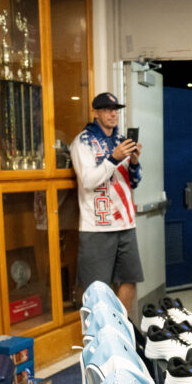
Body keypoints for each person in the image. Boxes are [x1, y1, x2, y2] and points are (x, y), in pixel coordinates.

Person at [70, 92, 143, 313]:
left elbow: (135, 181)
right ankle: (99, 335)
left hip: (126, 223)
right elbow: (88, 181)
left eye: (115, 110)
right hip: (97, 226)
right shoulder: (81, 142)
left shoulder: (122, 141)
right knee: (96, 288)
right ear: (95, 112)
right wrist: (113, 158)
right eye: (106, 109)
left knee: (130, 279)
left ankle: (119, 330)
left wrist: (134, 162)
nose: (113, 114)